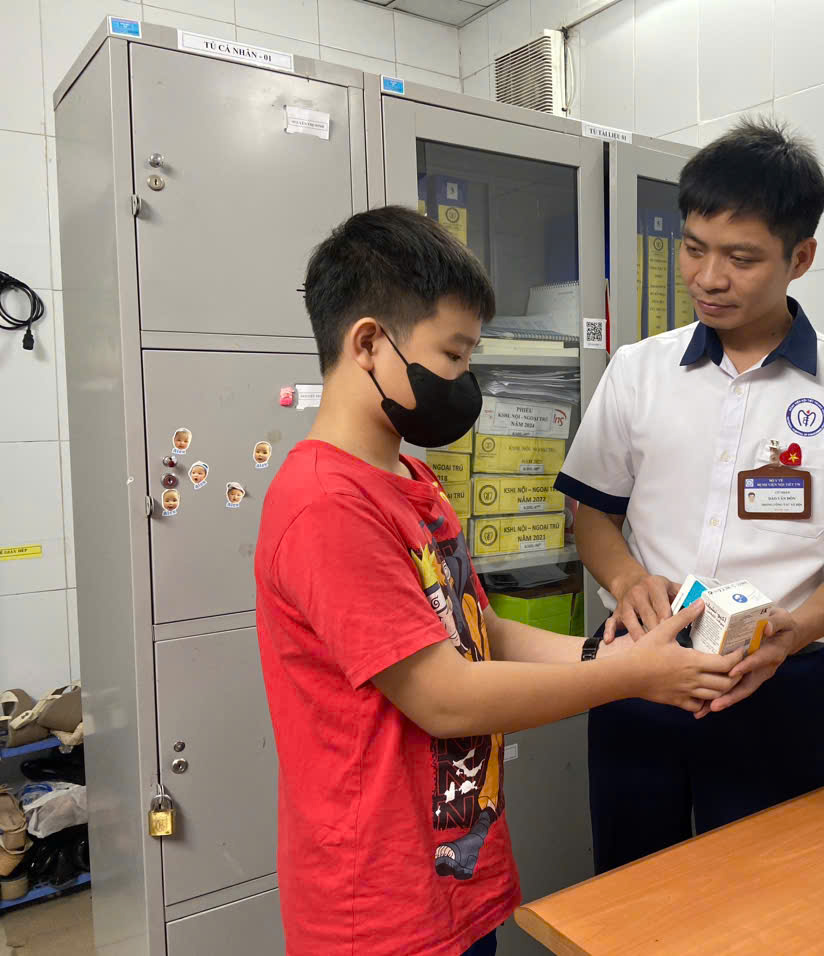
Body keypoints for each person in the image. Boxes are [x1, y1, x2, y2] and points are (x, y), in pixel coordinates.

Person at [253, 206, 741, 956]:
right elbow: (444, 696)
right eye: (452, 355)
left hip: (450, 870)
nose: (464, 381)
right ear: (368, 344)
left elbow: (476, 631)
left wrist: (606, 656)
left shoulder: (410, 479)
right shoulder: (327, 505)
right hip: (376, 904)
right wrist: (628, 678)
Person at [555, 118, 824, 874]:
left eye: (741, 258)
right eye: (694, 248)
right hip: (639, 667)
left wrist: (790, 637)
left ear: (801, 258)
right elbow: (592, 513)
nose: (708, 278)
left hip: (776, 684)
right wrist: (627, 580)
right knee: (630, 891)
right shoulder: (638, 372)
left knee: (769, 898)